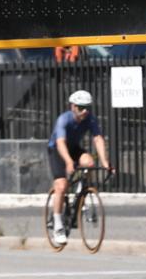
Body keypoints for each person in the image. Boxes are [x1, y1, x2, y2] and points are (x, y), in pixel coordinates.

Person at [46, 89, 112, 244]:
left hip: (73, 148)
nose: (85, 111)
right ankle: (58, 225)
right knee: (61, 186)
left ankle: (81, 195)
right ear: (73, 107)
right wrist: (69, 162)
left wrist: (105, 162)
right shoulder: (64, 119)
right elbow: (60, 142)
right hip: (57, 149)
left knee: (89, 162)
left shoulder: (90, 119)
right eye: (82, 107)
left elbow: (98, 139)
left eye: (88, 107)